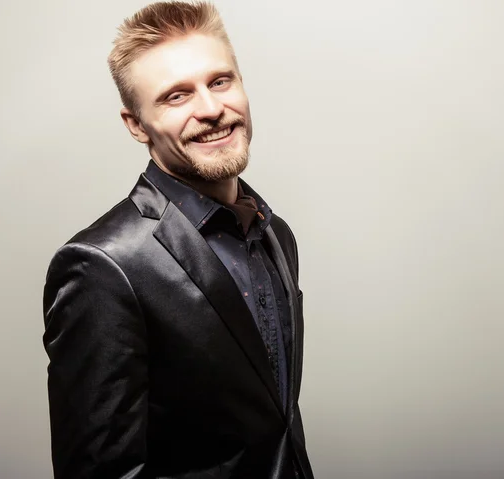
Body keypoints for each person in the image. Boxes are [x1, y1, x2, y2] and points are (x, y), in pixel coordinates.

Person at [42, 2, 314, 478]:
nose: (211, 110)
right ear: (135, 124)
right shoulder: (102, 266)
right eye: (175, 96)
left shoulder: (275, 234)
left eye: (220, 81)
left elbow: (275, 423)